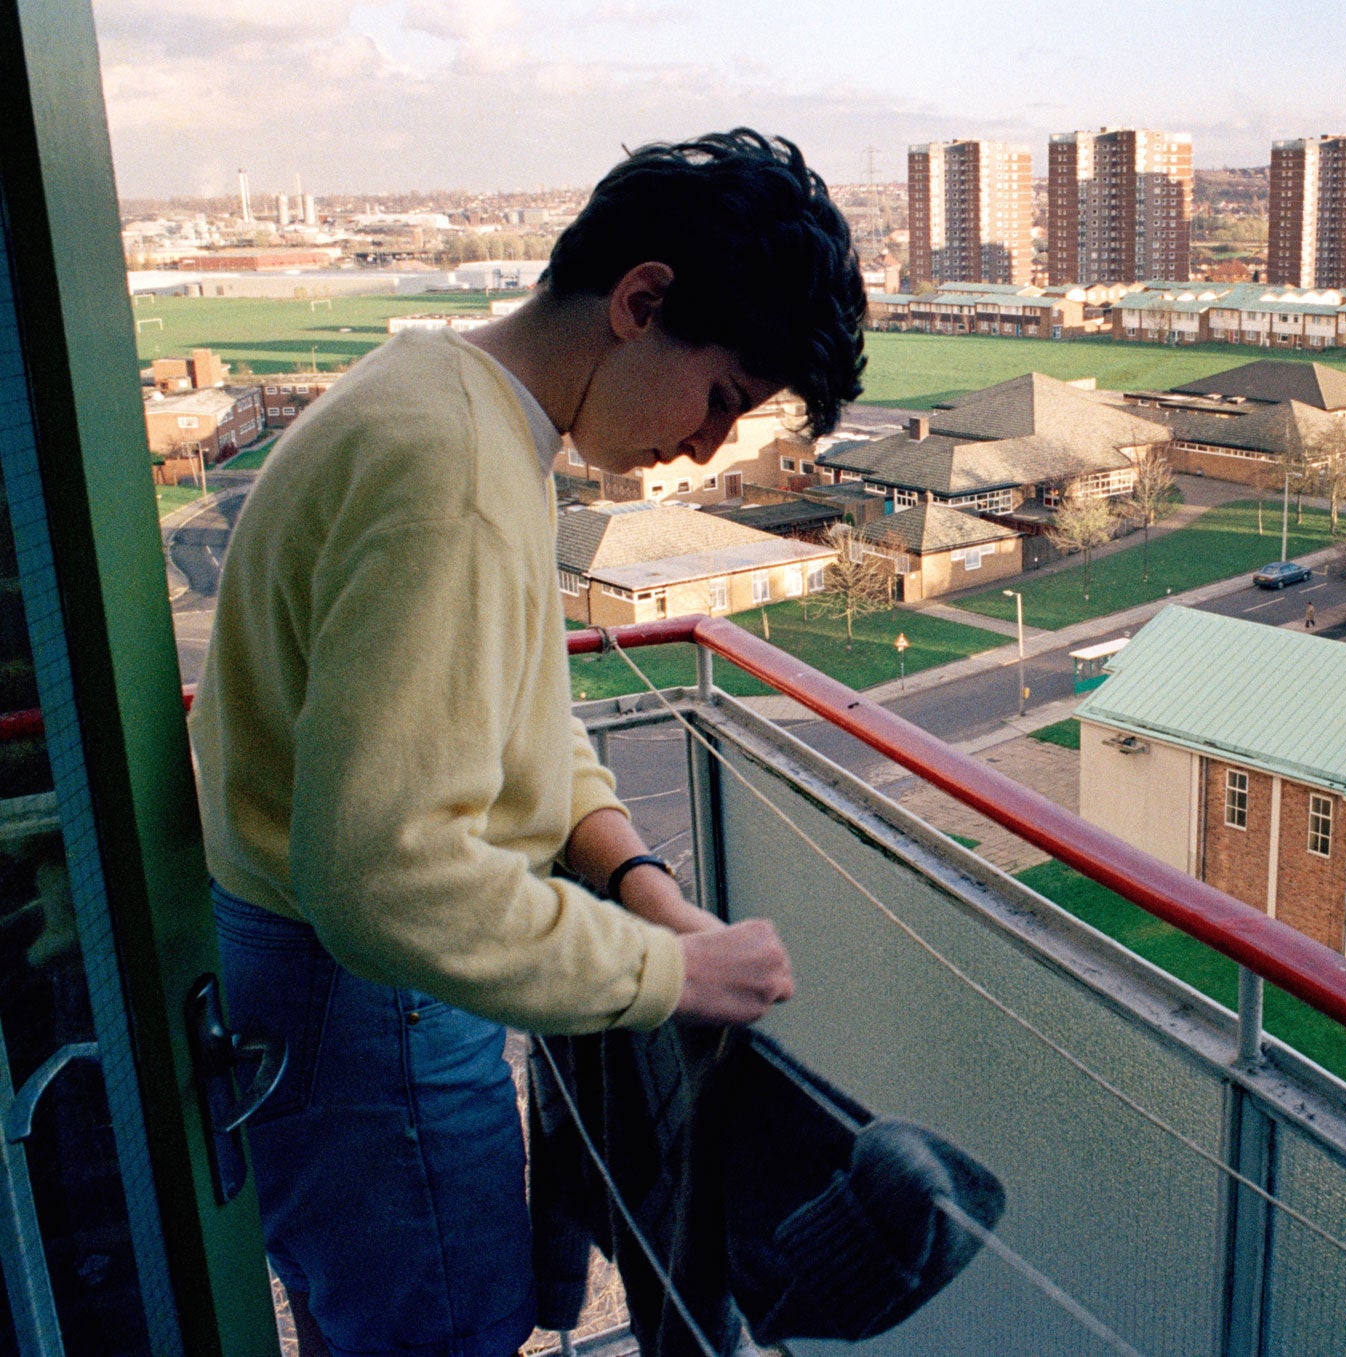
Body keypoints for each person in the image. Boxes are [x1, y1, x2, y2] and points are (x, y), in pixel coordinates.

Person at [187, 131, 867, 1357]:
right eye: (721, 398)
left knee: (372, 1315)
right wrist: (667, 976)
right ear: (640, 301)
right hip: (367, 1002)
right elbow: (384, 876)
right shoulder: (454, 478)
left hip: (318, 988)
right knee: (446, 1329)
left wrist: (637, 880)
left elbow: (523, 713)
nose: (708, 449)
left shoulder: (442, 398)